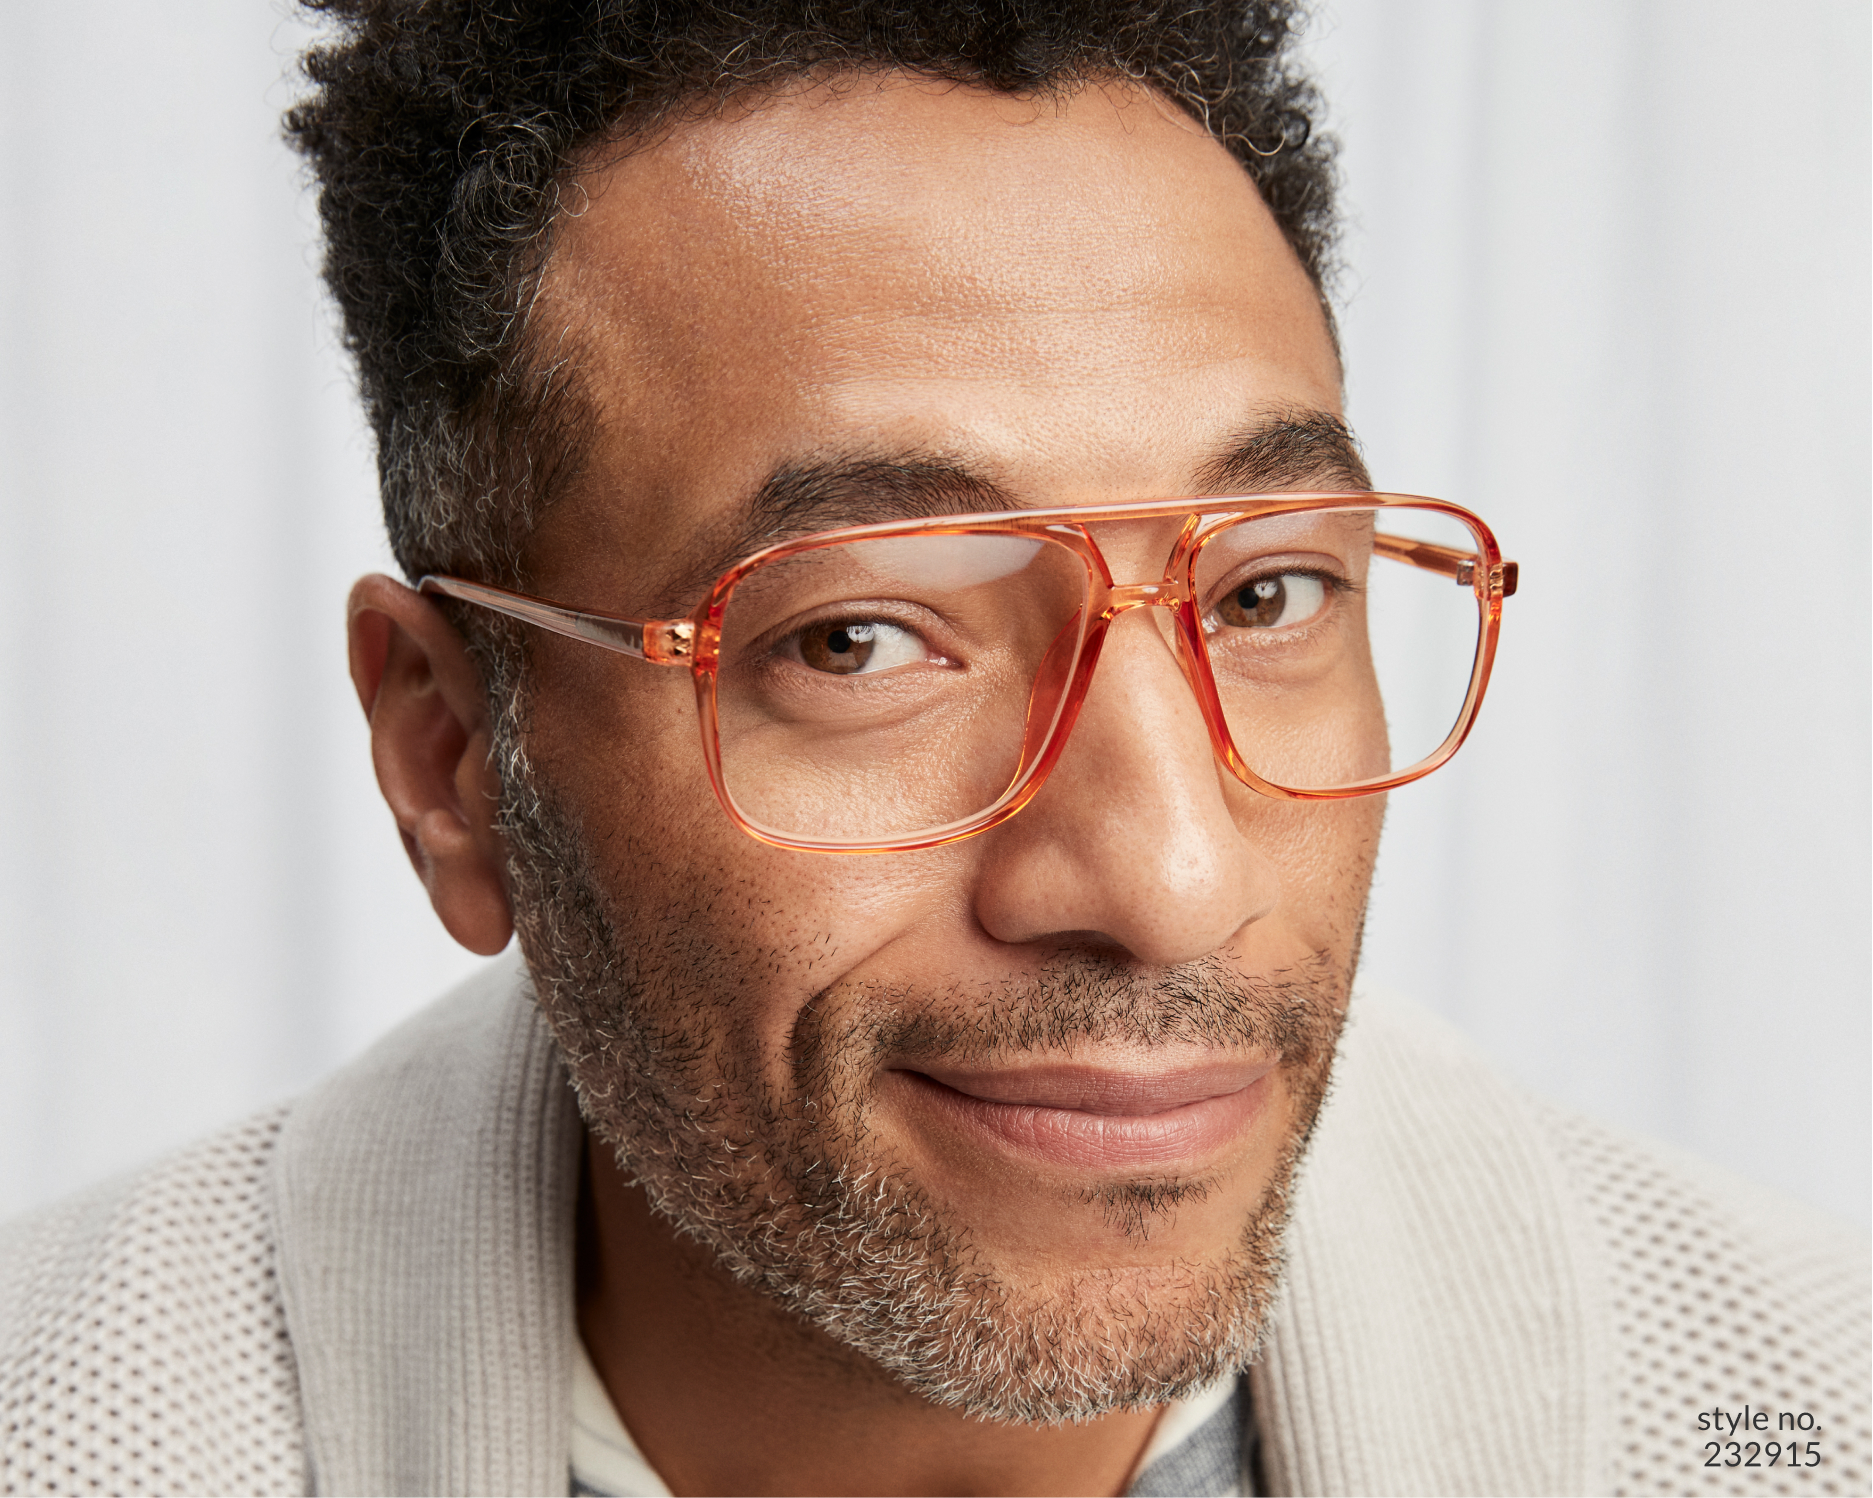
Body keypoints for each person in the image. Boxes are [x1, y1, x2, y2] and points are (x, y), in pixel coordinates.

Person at [1, 3, 1864, 1495]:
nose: (1170, 878)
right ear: (452, 758)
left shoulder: (1803, 1418)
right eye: (862, 633)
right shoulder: (65, 1425)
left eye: (1267, 593)